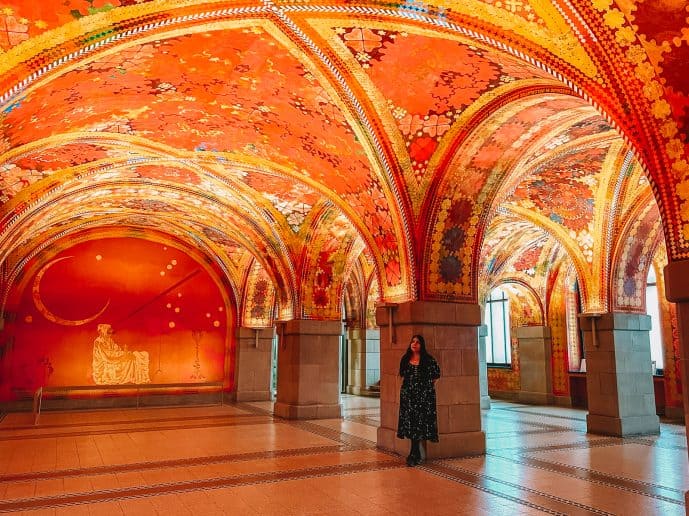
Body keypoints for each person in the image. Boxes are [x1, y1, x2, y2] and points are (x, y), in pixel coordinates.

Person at [397, 334, 440, 466]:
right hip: (408, 397)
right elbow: (403, 375)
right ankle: (415, 453)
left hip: (423, 398)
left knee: (420, 423)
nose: (414, 344)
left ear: (422, 345)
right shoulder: (405, 359)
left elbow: (436, 375)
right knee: (410, 423)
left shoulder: (428, 360)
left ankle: (413, 454)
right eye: (413, 342)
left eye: (418, 342)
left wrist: (426, 389)